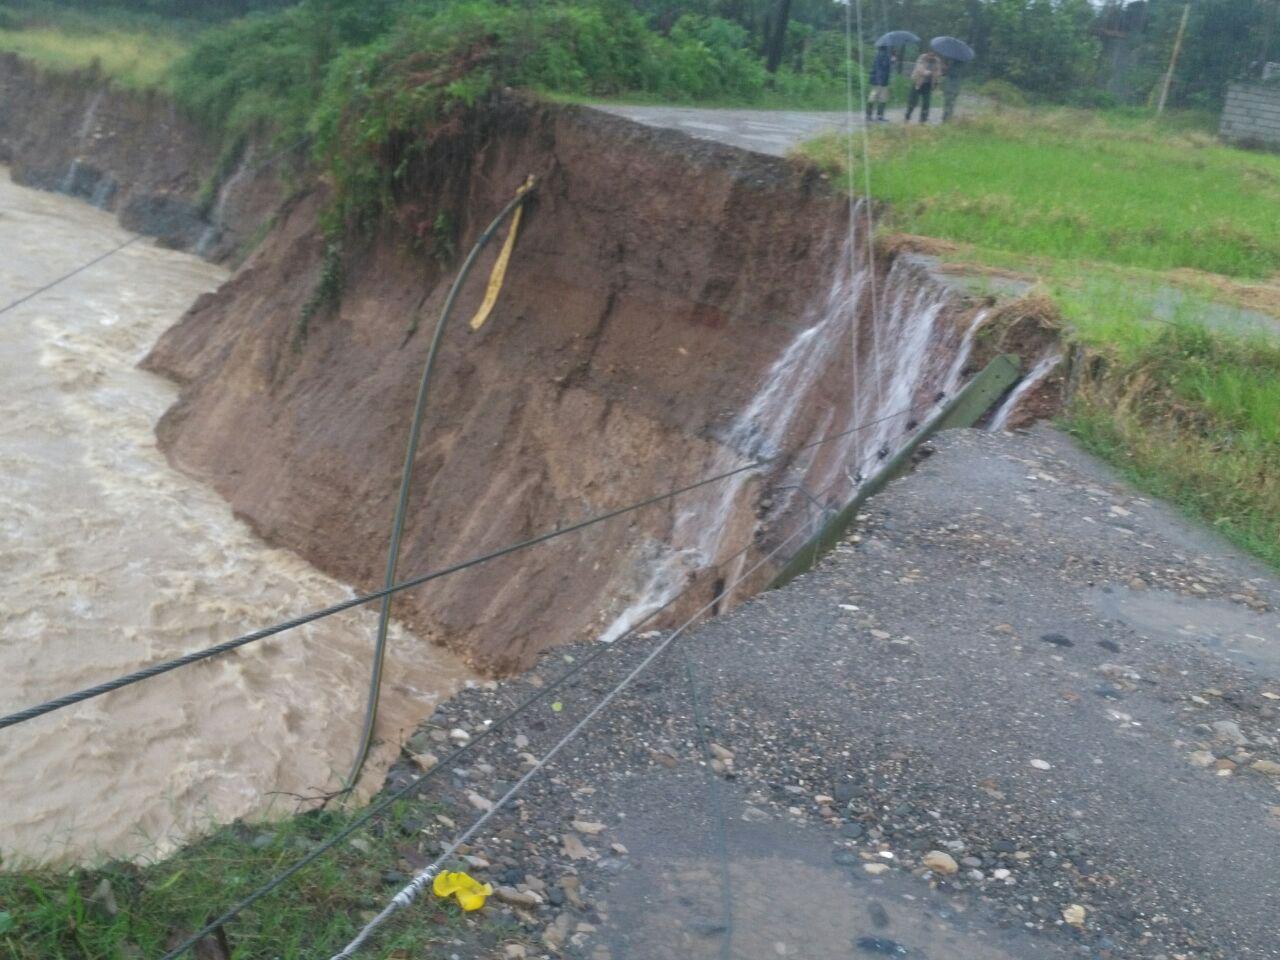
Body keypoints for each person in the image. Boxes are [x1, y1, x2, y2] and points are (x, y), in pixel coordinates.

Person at [905, 50, 944, 123]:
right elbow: (919, 69)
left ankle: (923, 119)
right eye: (930, 55)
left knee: (926, 102)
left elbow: (939, 72)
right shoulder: (922, 58)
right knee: (913, 101)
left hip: (928, 84)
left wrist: (937, 76)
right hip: (918, 83)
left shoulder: (937, 61)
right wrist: (927, 72)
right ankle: (907, 116)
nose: (931, 57)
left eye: (933, 56)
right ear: (927, 54)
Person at [866, 44, 894, 122]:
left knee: (872, 97)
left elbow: (882, 68)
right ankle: (879, 116)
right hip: (881, 81)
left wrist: (891, 61)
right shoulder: (884, 56)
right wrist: (891, 61)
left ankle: (869, 115)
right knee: (881, 98)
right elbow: (881, 68)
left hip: (877, 80)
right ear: (886, 48)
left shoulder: (879, 55)